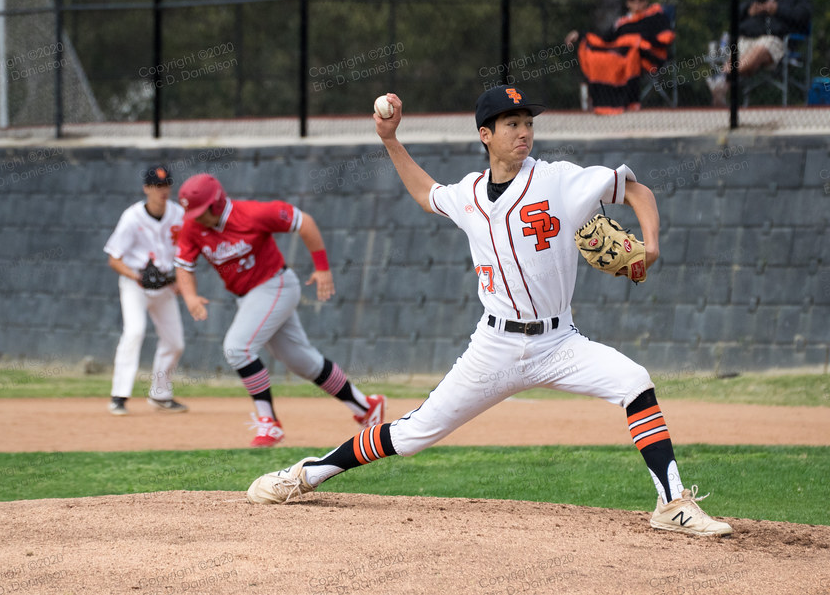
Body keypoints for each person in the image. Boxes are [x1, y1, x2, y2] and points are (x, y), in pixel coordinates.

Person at [246, 87, 732, 537]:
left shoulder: (560, 179)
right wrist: (391, 140)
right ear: (486, 135)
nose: (523, 132)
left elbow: (637, 191)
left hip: (559, 342)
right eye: (511, 123)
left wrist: (650, 245)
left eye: (527, 123)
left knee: (634, 381)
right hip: (495, 346)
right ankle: (305, 474)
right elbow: (425, 193)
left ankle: (671, 504)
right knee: (415, 433)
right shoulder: (470, 194)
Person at [174, 173, 385, 447]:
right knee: (301, 361)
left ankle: (268, 423)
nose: (196, 218)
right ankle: (366, 407)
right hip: (248, 297)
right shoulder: (193, 227)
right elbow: (183, 265)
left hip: (276, 286)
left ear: (217, 203)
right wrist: (190, 296)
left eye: (201, 211)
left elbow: (304, 222)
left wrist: (322, 268)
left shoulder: (252, 213)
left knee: (238, 348)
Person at [103, 164, 187, 416]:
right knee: (135, 332)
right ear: (146, 188)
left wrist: (181, 281)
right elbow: (114, 259)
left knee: (175, 342)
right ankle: (119, 396)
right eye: (157, 186)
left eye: (166, 185)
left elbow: (185, 251)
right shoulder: (132, 217)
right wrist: (137, 275)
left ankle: (160, 395)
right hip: (135, 285)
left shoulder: (178, 214)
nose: (163, 190)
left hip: (164, 285)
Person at [708, 0, 813, 106]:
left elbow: (803, 17)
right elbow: (734, 16)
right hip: (747, 39)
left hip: (776, 42)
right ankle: (721, 89)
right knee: (737, 52)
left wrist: (778, 10)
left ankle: (723, 77)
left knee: (761, 48)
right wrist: (748, 11)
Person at [565, 0, 675, 114]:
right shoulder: (622, 23)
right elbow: (604, 40)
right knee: (597, 57)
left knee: (631, 53)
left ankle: (630, 102)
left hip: (647, 57)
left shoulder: (656, 16)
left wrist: (640, 42)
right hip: (620, 55)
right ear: (627, 3)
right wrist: (580, 34)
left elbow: (666, 37)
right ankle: (605, 104)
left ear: (646, 1)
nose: (637, 2)